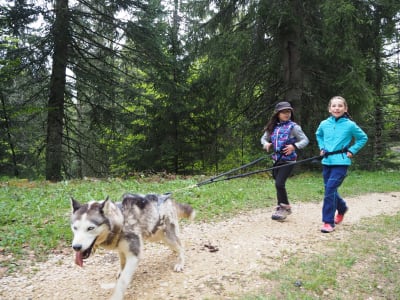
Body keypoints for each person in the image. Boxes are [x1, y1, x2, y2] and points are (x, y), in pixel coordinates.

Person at [316, 96, 368, 233]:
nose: (337, 108)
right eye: (334, 106)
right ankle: (342, 208)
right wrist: (322, 148)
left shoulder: (350, 125)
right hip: (327, 161)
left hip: (341, 162)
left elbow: (363, 138)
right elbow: (319, 135)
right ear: (329, 109)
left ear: (345, 109)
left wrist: (352, 150)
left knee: (329, 190)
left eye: (340, 106)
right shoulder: (324, 124)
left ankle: (328, 222)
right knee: (330, 189)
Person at [261, 101, 309, 221]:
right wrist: (266, 144)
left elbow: (305, 140)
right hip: (276, 160)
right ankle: (280, 206)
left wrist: (294, 146)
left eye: (288, 112)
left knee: (279, 183)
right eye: (283, 112)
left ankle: (285, 207)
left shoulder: (294, 127)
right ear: (277, 114)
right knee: (278, 183)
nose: (286, 114)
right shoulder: (273, 127)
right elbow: (263, 138)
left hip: (288, 160)